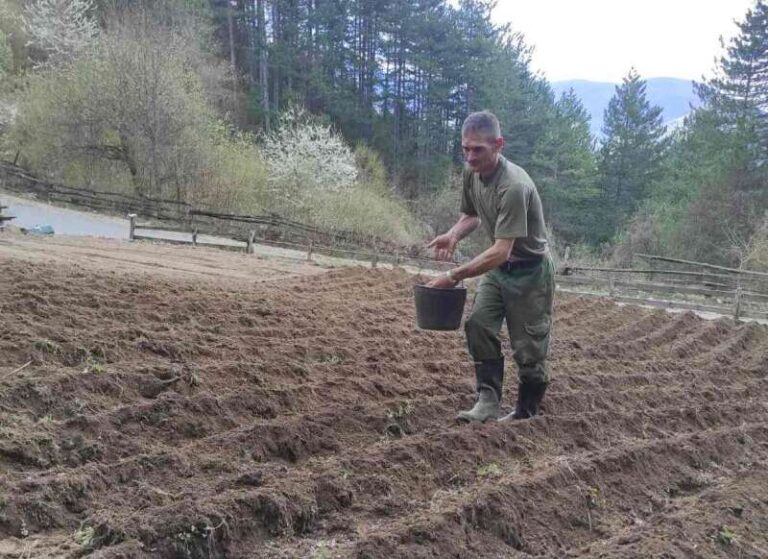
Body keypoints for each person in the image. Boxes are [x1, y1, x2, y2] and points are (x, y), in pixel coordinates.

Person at [426, 110, 554, 423]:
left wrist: (453, 275)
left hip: (531, 272)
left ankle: (526, 413)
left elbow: (500, 250)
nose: (470, 157)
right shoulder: (472, 173)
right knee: (479, 325)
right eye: (465, 149)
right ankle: (487, 401)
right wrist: (453, 234)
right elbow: (471, 215)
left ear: (498, 145)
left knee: (529, 347)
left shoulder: (513, 186)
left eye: (478, 149)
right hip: (501, 269)